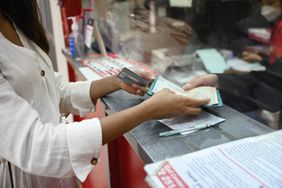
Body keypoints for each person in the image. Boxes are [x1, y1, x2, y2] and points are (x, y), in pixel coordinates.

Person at [0, 1, 209, 188]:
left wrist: (116, 81)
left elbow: (54, 92)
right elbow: (39, 147)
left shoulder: (12, 19)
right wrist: (148, 110)